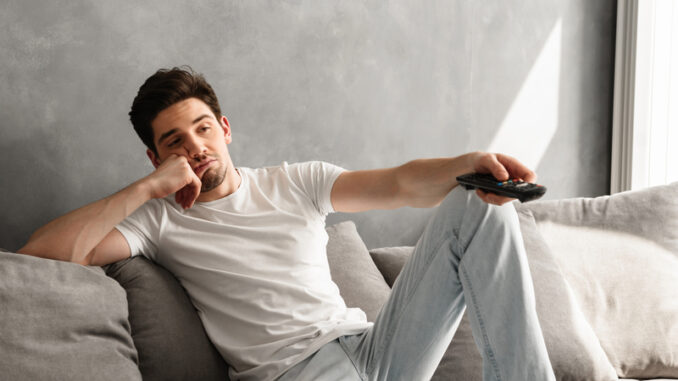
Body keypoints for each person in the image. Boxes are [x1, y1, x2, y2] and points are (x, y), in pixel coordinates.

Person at [19, 67, 555, 381]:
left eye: (202, 128)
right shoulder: (156, 222)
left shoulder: (294, 182)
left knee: (478, 203)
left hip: (377, 346)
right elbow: (43, 254)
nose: (195, 147)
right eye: (173, 141)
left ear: (225, 129)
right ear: (154, 155)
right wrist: (144, 189)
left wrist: (469, 164)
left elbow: (397, 184)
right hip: (301, 373)